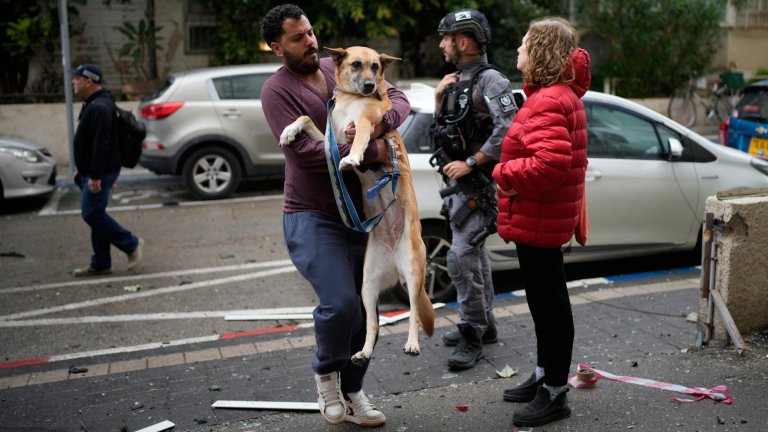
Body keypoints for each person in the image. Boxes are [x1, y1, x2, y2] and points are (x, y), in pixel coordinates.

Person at [259, 4, 410, 427]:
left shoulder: (340, 65)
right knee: (341, 303)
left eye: (309, 32)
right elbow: (305, 156)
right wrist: (370, 152)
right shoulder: (277, 91)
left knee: (365, 308)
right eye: (296, 38)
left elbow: (395, 96)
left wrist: (381, 127)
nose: (310, 42)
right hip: (311, 214)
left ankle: (354, 389)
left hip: (359, 214)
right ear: (277, 48)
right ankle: (326, 378)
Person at [491, 17, 591, 427]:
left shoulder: (549, 99)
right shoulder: (555, 95)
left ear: (542, 52)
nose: (518, 50)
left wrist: (503, 176)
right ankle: (545, 374)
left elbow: (549, 163)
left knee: (549, 305)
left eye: (524, 44)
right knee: (544, 301)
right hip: (542, 218)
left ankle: (554, 393)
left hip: (540, 219)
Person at [431, 8, 517, 370]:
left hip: (478, 184)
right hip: (458, 185)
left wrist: (473, 161)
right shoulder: (454, 80)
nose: (441, 44)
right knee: (475, 256)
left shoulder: (492, 81)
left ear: (462, 41)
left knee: (460, 256)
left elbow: (508, 129)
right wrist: (437, 99)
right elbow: (442, 131)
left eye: (446, 38)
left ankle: (472, 333)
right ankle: (486, 324)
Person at [71, 64, 143, 277]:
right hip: (94, 170)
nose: (73, 82)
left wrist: (94, 175)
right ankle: (101, 262)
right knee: (97, 214)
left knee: (91, 213)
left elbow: (101, 143)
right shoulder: (94, 103)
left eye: (76, 79)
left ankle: (132, 244)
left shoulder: (100, 106)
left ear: (88, 81)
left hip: (99, 172)